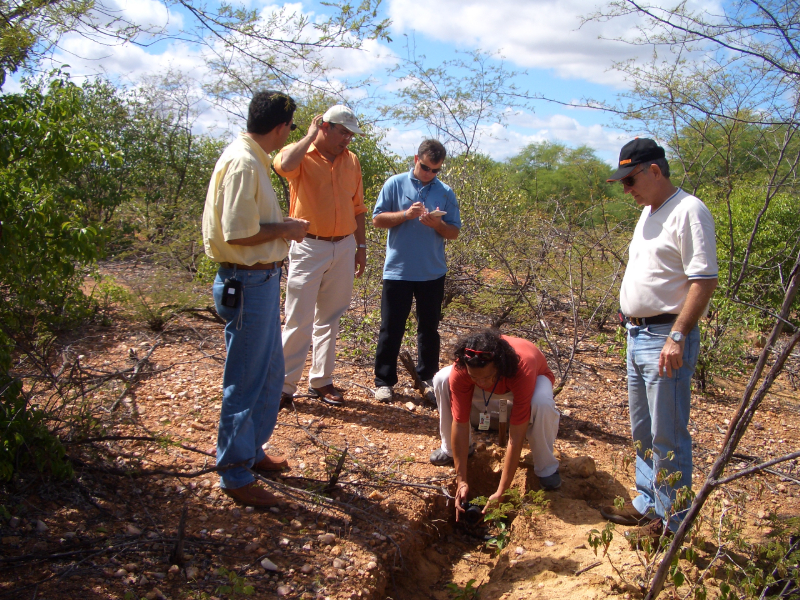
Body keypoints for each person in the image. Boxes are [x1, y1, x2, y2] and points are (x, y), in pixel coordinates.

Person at [600, 138, 718, 543]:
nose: (626, 189)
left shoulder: (689, 210)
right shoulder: (649, 211)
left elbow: (704, 280)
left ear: (655, 170)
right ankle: (647, 503)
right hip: (637, 335)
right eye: (622, 183)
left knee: (668, 433)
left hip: (665, 336)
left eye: (630, 180)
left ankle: (671, 523)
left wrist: (678, 335)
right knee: (643, 430)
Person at [202, 90, 310, 507]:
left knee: (268, 370)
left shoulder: (250, 158)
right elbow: (238, 232)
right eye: (289, 128)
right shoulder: (245, 162)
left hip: (258, 281)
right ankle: (234, 472)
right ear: (282, 128)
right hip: (246, 282)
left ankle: (251, 451)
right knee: (245, 380)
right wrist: (286, 229)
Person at [273, 105, 368, 407]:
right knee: (298, 318)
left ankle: (321, 381)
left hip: (343, 246)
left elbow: (358, 208)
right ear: (326, 127)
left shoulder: (351, 161)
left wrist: (360, 247)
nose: (347, 140)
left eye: (351, 135)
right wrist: (310, 135)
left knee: (330, 317)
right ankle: (284, 387)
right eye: (343, 132)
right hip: (308, 246)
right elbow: (283, 165)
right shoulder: (301, 154)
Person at [430, 329, 561, 521]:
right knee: (442, 378)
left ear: (498, 366)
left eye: (485, 377)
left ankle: (546, 466)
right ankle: (451, 450)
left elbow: (515, 438)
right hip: (498, 382)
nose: (481, 383)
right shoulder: (463, 369)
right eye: (475, 377)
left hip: (530, 379)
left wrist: (501, 491)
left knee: (542, 403)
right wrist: (462, 480)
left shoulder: (520, 369)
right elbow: (460, 422)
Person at [371, 139, 461, 402]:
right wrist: (405, 215)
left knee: (429, 329)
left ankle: (428, 379)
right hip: (398, 271)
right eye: (425, 168)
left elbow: (453, 232)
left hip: (432, 272)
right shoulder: (394, 184)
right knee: (391, 327)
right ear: (416, 160)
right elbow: (377, 219)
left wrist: (437, 224)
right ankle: (384, 381)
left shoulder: (445, 191)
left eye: (436, 170)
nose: (430, 174)